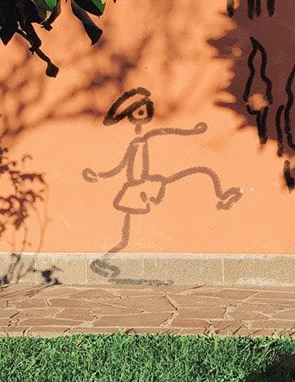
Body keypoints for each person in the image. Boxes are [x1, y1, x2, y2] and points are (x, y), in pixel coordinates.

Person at [82, 87, 242, 279]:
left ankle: (111, 261)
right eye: (135, 114)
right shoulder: (138, 143)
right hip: (139, 189)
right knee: (129, 234)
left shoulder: (151, 139)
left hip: (149, 186)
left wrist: (194, 131)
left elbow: (174, 134)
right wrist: (100, 174)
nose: (138, 122)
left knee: (199, 171)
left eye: (142, 112)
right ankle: (108, 261)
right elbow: (120, 166)